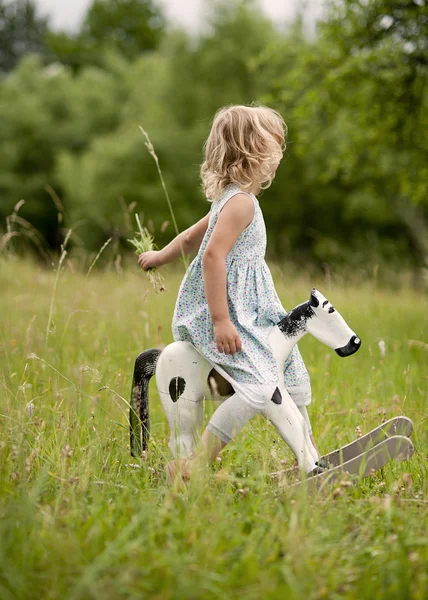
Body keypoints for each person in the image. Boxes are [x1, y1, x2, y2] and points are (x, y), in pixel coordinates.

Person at [138, 104, 318, 481]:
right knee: (257, 387)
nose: (279, 153)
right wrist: (221, 320)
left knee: (291, 369)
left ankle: (310, 456)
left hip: (255, 309)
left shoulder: (231, 199)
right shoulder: (240, 204)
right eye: (274, 145)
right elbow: (212, 256)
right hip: (230, 313)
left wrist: (159, 256)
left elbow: (190, 237)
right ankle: (196, 463)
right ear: (250, 151)